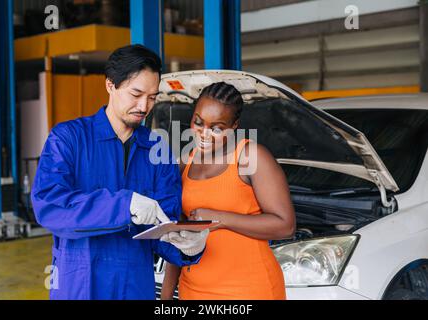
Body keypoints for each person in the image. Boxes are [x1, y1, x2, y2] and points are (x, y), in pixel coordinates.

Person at [31, 45, 208, 300]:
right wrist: (124, 205)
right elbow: (49, 207)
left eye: (152, 97)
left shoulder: (158, 149)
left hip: (135, 285)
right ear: (110, 85)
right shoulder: (68, 138)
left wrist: (188, 248)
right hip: (81, 283)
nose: (143, 106)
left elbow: (164, 228)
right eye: (136, 93)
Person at [160, 82, 296, 300]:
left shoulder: (251, 157)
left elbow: (285, 225)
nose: (204, 133)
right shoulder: (185, 161)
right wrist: (165, 297)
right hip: (193, 291)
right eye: (198, 123)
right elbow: (179, 235)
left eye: (216, 128)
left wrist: (220, 219)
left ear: (234, 126)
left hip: (248, 290)